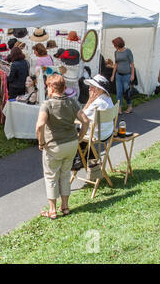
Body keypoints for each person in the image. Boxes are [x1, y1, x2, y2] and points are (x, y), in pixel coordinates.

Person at [35, 74, 89, 219]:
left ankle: (52, 210)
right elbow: (85, 121)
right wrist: (80, 138)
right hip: (71, 144)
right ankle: (65, 207)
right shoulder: (71, 102)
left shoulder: (47, 104)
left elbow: (40, 125)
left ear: (51, 89)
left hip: (54, 146)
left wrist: (41, 142)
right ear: (64, 88)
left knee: (51, 176)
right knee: (65, 175)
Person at [72, 75, 114, 171]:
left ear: (99, 89)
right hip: (108, 133)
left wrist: (89, 101)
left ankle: (80, 160)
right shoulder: (108, 99)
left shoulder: (97, 103)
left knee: (74, 131)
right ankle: (89, 159)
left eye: (92, 87)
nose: (89, 89)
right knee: (80, 131)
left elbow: (81, 117)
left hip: (97, 135)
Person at [110, 37, 134, 114]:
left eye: (114, 44)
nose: (114, 46)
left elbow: (132, 64)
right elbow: (116, 64)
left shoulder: (128, 51)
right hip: (118, 75)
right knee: (119, 92)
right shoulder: (116, 52)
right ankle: (119, 108)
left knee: (127, 92)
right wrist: (113, 75)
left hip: (127, 75)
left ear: (118, 44)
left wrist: (132, 75)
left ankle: (129, 106)